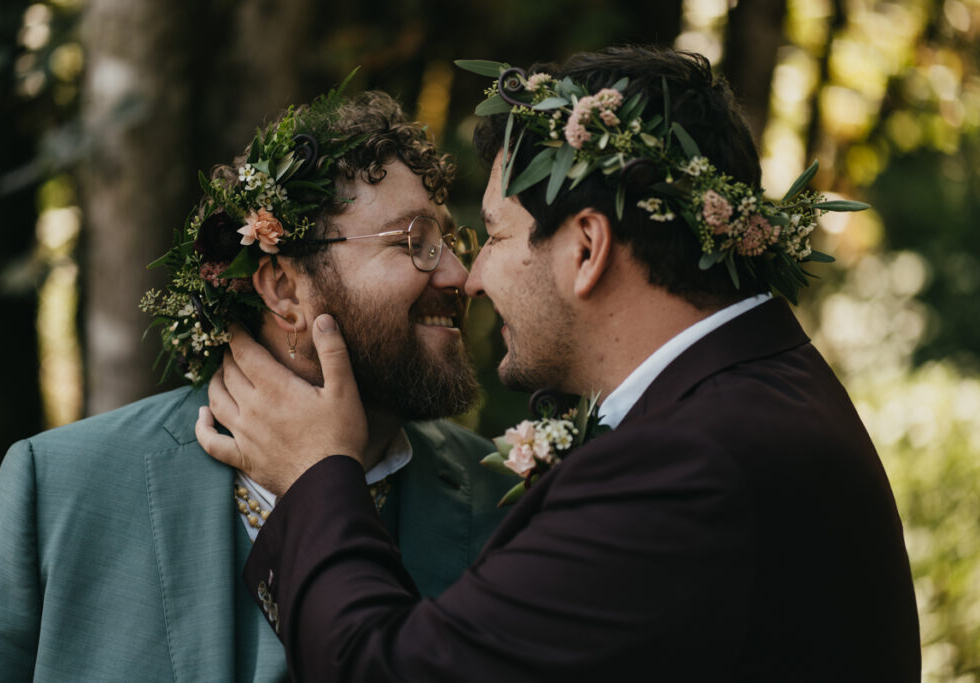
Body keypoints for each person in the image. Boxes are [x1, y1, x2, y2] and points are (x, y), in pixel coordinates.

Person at [199, 46, 921, 681]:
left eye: (496, 236)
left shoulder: (686, 465)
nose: (471, 277)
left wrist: (316, 474)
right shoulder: (756, 396)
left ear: (585, 248)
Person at [0, 86, 509, 682]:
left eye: (452, 241)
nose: (459, 274)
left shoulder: (502, 499)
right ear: (282, 288)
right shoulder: (58, 488)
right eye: (415, 242)